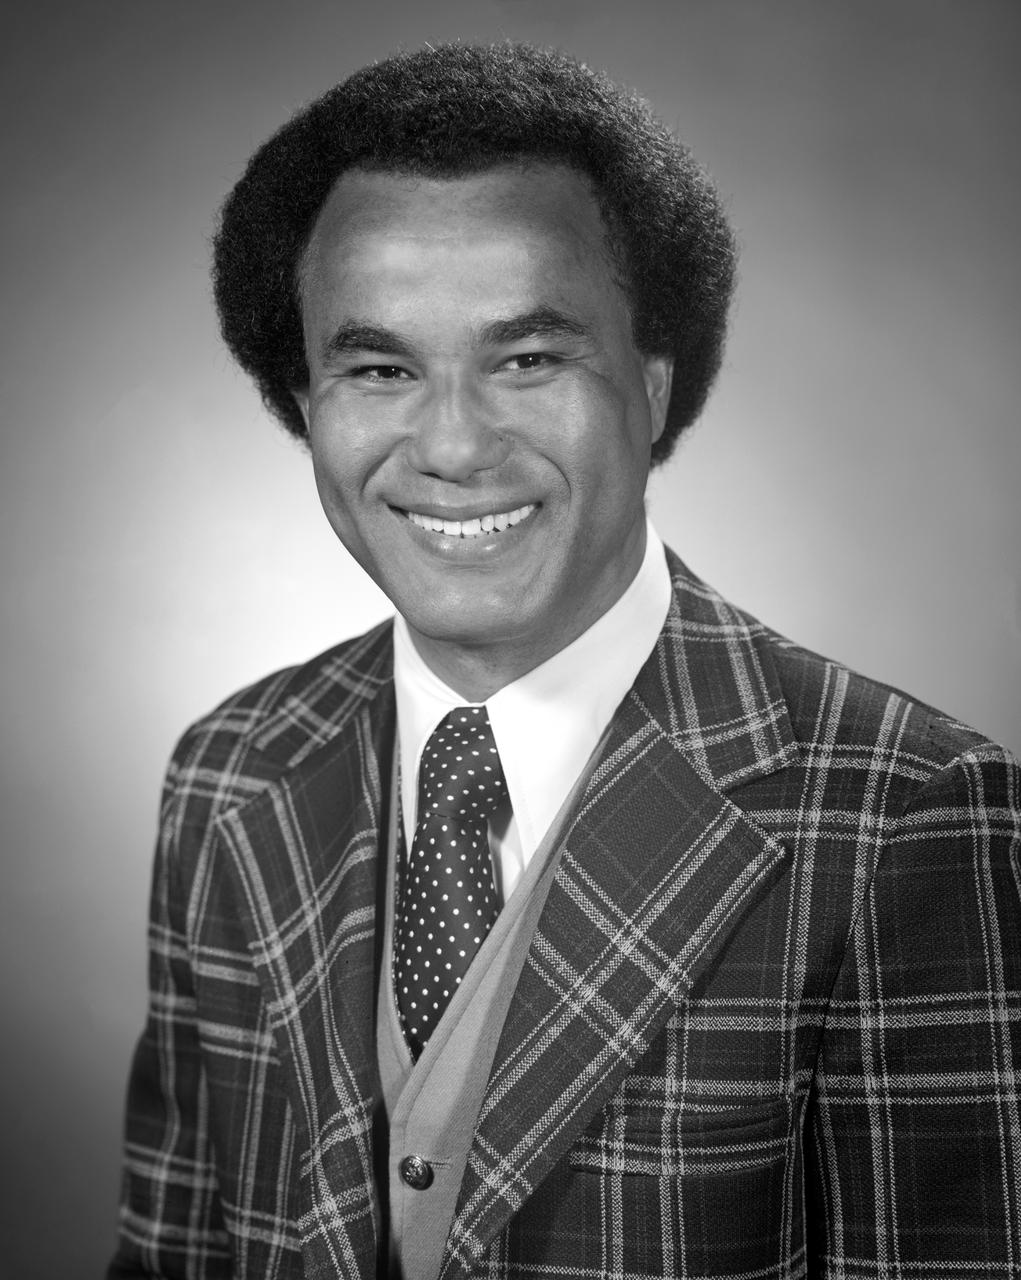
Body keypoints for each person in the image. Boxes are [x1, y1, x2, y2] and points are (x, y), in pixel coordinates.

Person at [108, 41, 1021, 1280]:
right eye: (378, 368)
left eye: (527, 361)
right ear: (304, 404)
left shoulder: (901, 809)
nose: (450, 445)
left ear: (653, 382)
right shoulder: (226, 773)